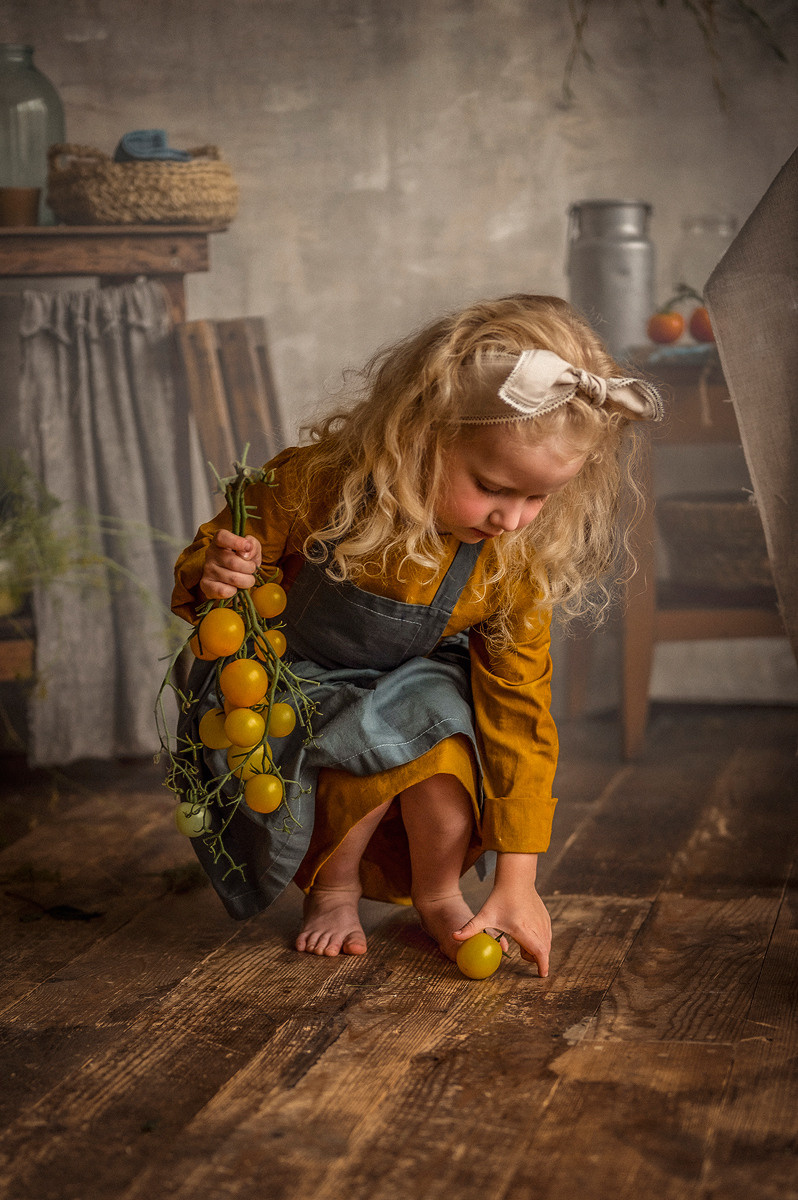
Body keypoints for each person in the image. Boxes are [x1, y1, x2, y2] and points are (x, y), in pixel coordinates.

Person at [171, 294, 662, 976]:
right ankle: (332, 887)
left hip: (412, 684)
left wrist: (518, 881)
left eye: (537, 497)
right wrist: (223, 573)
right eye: (493, 486)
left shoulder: (512, 561)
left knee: (446, 735)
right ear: (419, 435)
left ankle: (437, 892)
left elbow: (519, 712)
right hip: (297, 678)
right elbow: (210, 577)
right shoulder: (313, 485)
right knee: (345, 737)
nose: (513, 520)